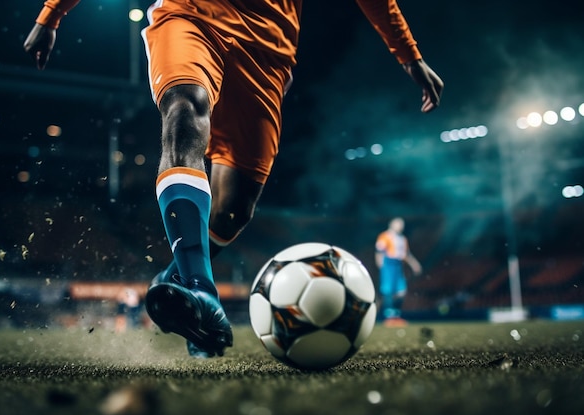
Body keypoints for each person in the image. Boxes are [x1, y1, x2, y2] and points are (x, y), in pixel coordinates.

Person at [24, 0, 443, 357]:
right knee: (184, 109)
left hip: (268, 50)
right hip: (192, 15)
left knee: (233, 210)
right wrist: (50, 15)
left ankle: (175, 283)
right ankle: (202, 291)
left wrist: (411, 56)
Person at [375, 217, 422, 327]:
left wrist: (414, 264)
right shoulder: (385, 236)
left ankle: (396, 315)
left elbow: (407, 254)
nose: (401, 226)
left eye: (401, 224)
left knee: (401, 292)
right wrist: (380, 264)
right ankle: (389, 317)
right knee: (388, 291)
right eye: (398, 224)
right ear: (392, 224)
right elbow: (379, 251)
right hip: (388, 264)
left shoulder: (402, 239)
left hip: (398, 265)